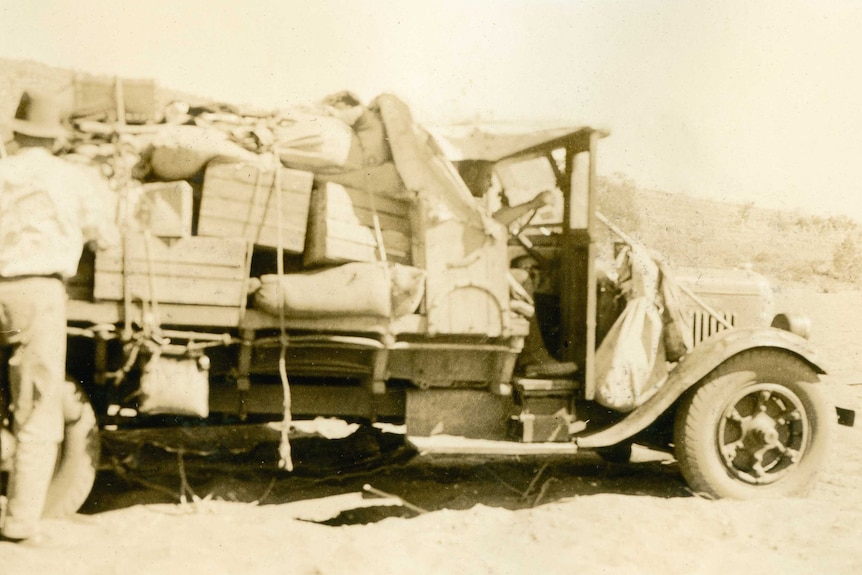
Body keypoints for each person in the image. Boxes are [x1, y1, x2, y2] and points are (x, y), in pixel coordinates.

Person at [0, 91, 116, 543]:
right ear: (55, 139)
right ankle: (20, 521)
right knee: (36, 403)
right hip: (36, 295)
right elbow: (104, 237)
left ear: (17, 132)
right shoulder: (74, 178)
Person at [457, 159, 576, 378]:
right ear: (472, 173)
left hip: (467, 271)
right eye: (488, 177)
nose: (491, 185)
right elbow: (495, 221)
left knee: (519, 272)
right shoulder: (462, 201)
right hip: (466, 277)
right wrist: (532, 204)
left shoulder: (461, 200)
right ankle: (533, 356)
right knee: (521, 278)